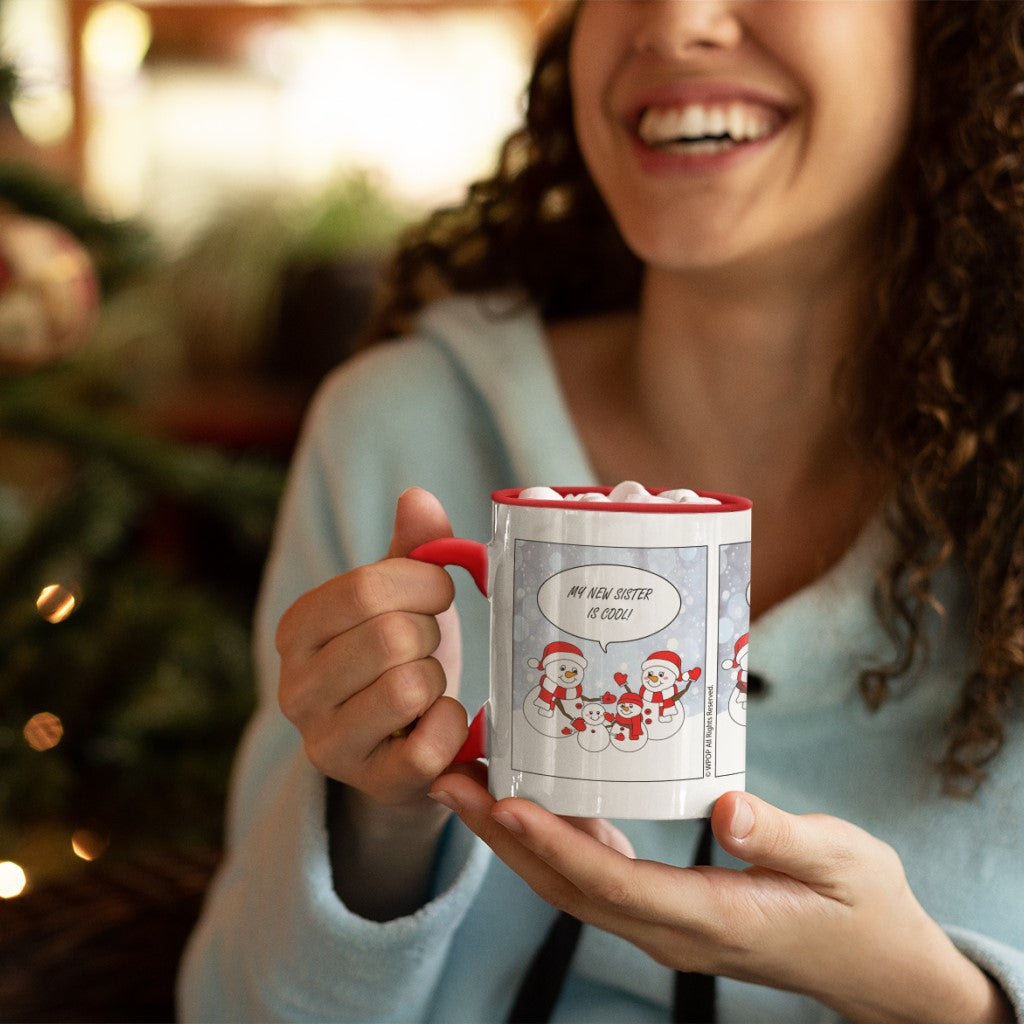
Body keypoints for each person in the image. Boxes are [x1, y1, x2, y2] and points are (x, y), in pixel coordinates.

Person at [177, 2, 1024, 1021]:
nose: (673, 22)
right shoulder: (400, 428)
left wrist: (931, 998)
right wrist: (375, 824)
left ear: (950, 32)